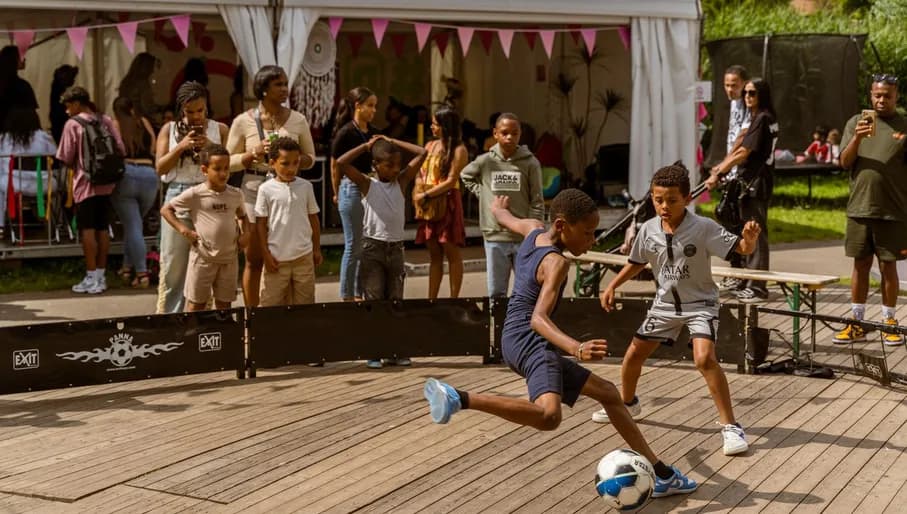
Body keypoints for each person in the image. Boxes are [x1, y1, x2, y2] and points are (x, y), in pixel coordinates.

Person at [423, 189, 698, 499]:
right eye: (587, 232)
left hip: (511, 338)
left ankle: (662, 474)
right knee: (548, 416)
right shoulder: (556, 263)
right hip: (531, 341)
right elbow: (538, 319)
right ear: (562, 225)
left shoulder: (533, 230)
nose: (592, 240)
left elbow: (505, 218)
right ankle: (459, 398)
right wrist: (575, 348)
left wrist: (498, 208)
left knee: (609, 393)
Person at [596, 164, 760, 456]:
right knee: (633, 355)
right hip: (664, 306)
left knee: (704, 359)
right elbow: (636, 263)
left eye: (672, 200)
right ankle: (628, 403)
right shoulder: (648, 230)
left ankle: (731, 427)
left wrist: (749, 239)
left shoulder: (704, 227)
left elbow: (743, 249)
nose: (664, 206)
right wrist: (612, 286)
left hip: (701, 305)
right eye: (658, 199)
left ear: (687, 199)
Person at [226, 65, 316, 308]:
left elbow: (311, 158)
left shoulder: (298, 119)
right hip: (253, 190)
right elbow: (226, 161)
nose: (285, 89)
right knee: (254, 259)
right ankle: (253, 316)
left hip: (288, 193)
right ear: (263, 89)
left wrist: (291, 160)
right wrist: (251, 154)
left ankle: (283, 314)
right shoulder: (243, 121)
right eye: (278, 84)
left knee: (285, 255)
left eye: (286, 84)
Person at [336, 135, 427, 368]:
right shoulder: (368, 184)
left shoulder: (402, 181)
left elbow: (422, 152)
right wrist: (366, 146)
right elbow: (341, 163)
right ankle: (374, 351)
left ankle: (394, 350)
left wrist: (393, 141)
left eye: (398, 164)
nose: (395, 169)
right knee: (374, 302)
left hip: (395, 249)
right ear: (375, 165)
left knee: (395, 301)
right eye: (389, 165)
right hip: (372, 248)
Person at [833, 74, 907, 345]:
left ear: (896, 96)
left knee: (888, 266)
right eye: (877, 95)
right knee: (860, 265)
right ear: (870, 96)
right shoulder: (856, 122)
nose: (881, 100)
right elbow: (844, 162)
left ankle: (889, 322)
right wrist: (857, 138)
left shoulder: (904, 125)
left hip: (893, 210)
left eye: (887, 95)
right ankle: (857, 322)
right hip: (860, 208)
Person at [154, 81, 230, 313]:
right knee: (174, 263)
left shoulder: (220, 129)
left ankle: (201, 317)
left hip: (210, 195)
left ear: (207, 107)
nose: (196, 117)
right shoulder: (169, 129)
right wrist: (181, 147)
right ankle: (172, 318)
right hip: (179, 194)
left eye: (200, 110)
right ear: (181, 110)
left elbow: (230, 163)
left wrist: (210, 146)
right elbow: (160, 167)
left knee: (208, 261)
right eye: (190, 112)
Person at [706, 78, 779, 303]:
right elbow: (740, 143)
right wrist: (721, 167)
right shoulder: (760, 117)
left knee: (755, 232)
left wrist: (719, 172)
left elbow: (743, 151)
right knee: (741, 228)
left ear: (762, 95)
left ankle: (757, 287)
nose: (747, 97)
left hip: (755, 183)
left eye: (752, 93)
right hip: (750, 182)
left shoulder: (763, 118)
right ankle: (744, 278)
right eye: (746, 93)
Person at [461, 112, 544, 298]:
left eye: (515, 133)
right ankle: (497, 318)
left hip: (523, 237)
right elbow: (465, 175)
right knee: (496, 292)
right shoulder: (485, 161)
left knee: (527, 290)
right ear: (495, 134)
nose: (509, 138)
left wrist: (534, 233)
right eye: (505, 133)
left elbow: (537, 199)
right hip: (494, 236)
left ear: (520, 134)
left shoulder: (530, 163)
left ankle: (522, 318)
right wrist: (483, 194)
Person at [160, 144, 249, 312]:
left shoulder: (236, 194)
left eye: (226, 168)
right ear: (204, 169)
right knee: (196, 305)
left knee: (224, 306)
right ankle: (192, 330)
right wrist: (184, 230)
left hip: (229, 259)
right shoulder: (195, 194)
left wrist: (246, 235)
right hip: (203, 258)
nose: (223, 173)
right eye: (217, 169)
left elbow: (243, 217)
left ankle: (221, 330)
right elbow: (166, 210)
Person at [56, 87, 126, 294]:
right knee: (103, 229)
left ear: (77, 104)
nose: (67, 111)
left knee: (87, 230)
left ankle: (91, 275)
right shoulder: (105, 120)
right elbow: (121, 149)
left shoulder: (73, 124)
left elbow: (66, 156)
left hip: (85, 184)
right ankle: (101, 276)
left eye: (68, 106)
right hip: (108, 184)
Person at [255, 137, 322, 307]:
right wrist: (266, 254)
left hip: (303, 257)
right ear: (272, 163)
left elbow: (313, 218)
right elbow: (261, 224)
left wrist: (316, 249)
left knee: (305, 305)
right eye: (285, 163)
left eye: (295, 163)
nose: (291, 168)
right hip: (276, 258)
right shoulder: (265, 189)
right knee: (270, 305)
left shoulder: (306, 186)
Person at [330, 87, 379, 302]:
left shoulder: (373, 132)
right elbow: (335, 165)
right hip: (350, 187)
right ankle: (347, 294)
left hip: (371, 187)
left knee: (366, 244)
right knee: (353, 245)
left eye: (375, 106)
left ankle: (360, 293)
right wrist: (336, 193)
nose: (373, 110)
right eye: (370, 106)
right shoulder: (346, 132)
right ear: (358, 106)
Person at [414, 106, 468, 299]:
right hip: (427, 201)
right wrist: (419, 189)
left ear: (446, 126)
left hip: (447, 200)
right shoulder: (430, 145)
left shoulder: (459, 149)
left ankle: (454, 299)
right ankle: (432, 299)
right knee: (434, 253)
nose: (432, 127)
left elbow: (451, 181)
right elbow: (420, 172)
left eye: (435, 124)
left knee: (451, 250)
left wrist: (427, 195)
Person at [110, 97, 159, 288]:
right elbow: (154, 147)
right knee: (135, 225)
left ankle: (141, 273)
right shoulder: (143, 122)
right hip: (149, 175)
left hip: (127, 173)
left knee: (133, 226)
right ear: (132, 109)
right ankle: (126, 268)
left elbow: (115, 149)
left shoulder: (115, 124)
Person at [715, 65, 750, 293]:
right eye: (727, 85)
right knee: (725, 215)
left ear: (744, 84)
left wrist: (726, 164)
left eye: (734, 85)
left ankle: (741, 271)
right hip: (730, 170)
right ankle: (735, 266)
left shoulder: (747, 104)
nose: (730, 89)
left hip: (739, 171)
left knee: (735, 219)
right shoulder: (734, 104)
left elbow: (742, 137)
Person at [0, 108, 57, 239]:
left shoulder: (4, 139)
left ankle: (1, 225)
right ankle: (57, 223)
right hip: (45, 185)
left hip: (14, 185)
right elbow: (55, 156)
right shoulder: (44, 137)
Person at [118, 52, 163, 126]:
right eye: (152, 66)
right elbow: (148, 108)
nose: (153, 70)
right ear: (147, 67)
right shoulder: (143, 83)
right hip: (141, 123)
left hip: (126, 122)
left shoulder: (126, 82)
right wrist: (163, 109)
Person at [0, 46, 38, 133]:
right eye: (22, 57)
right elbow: (31, 115)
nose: (25, 59)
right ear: (14, 60)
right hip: (17, 134)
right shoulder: (22, 86)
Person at [50, 65, 79, 144]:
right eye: (72, 78)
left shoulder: (58, 88)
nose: (73, 81)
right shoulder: (58, 90)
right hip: (59, 123)